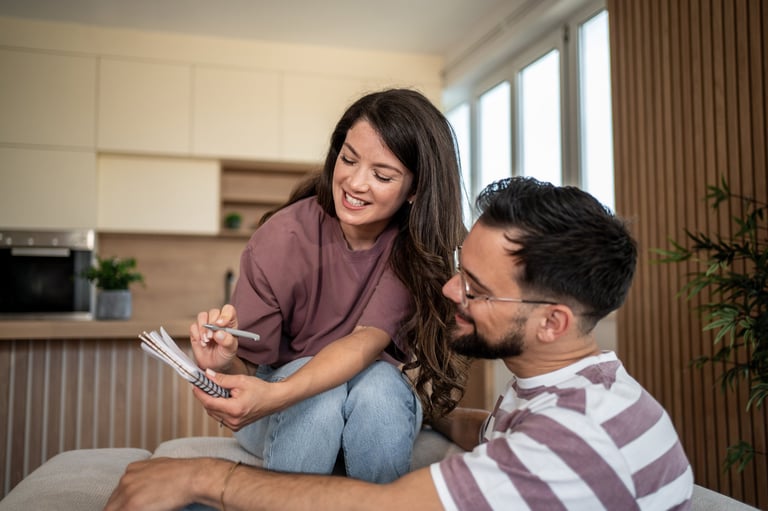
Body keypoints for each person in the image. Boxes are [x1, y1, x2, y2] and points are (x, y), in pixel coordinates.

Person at [106, 177, 694, 511]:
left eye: (476, 287)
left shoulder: (575, 437)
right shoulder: (574, 391)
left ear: (553, 322)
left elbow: (384, 508)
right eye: (461, 268)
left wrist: (203, 476)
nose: (447, 288)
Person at [188, 88, 470, 484]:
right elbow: (248, 368)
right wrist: (225, 364)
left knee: (381, 386)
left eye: (382, 175)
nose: (354, 183)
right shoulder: (280, 238)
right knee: (317, 392)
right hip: (277, 404)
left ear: (416, 190)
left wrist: (280, 393)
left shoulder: (414, 250)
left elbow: (366, 339)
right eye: (348, 159)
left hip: (362, 400)